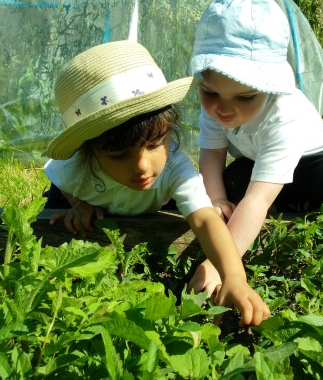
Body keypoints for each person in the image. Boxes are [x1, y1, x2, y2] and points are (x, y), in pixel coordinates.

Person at [43, 40, 270, 327]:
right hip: (80, 200)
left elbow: (204, 220)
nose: (142, 166)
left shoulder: (174, 167)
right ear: (90, 151)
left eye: (153, 144)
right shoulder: (76, 167)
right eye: (119, 154)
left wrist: (234, 277)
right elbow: (60, 180)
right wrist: (79, 204)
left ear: (169, 131)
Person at [187, 0, 323, 293]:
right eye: (210, 93)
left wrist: (222, 264)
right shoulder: (216, 105)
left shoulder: (283, 115)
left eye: (245, 97)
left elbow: (257, 197)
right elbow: (211, 153)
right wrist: (215, 200)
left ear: (269, 87)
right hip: (259, 165)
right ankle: (277, 205)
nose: (223, 108)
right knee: (229, 181)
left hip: (311, 161)